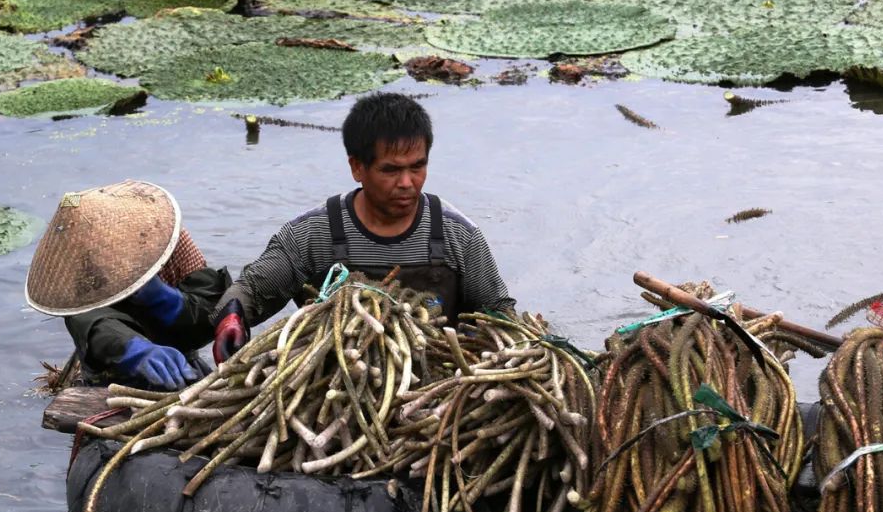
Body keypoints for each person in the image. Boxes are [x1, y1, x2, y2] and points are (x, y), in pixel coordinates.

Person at [213, 92, 515, 363]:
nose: (407, 183)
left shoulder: (458, 236)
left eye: (417, 166)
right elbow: (249, 290)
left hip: (434, 379)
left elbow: (500, 313)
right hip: (334, 381)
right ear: (357, 167)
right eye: (391, 170)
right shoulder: (312, 235)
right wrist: (231, 319)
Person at [25, 180, 231, 391]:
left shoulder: (164, 236)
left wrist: (167, 299)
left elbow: (211, 308)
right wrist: (136, 350)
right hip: (115, 380)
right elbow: (94, 325)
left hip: (182, 364)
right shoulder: (78, 274)